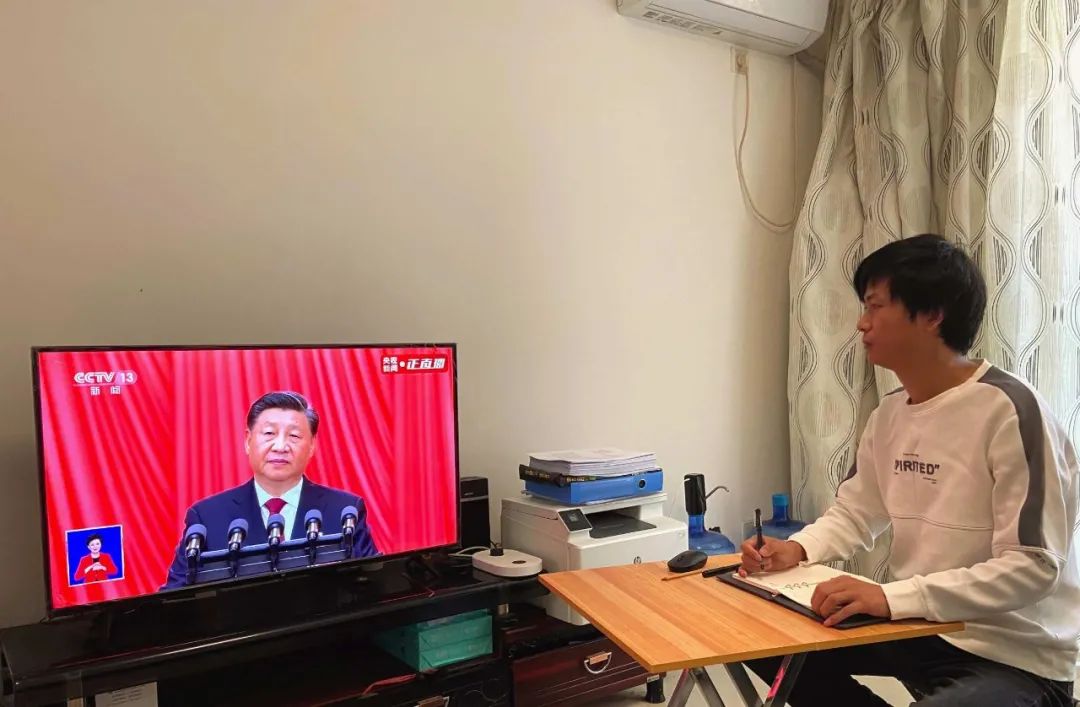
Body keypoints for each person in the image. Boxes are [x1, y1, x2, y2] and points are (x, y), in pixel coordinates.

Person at [740, 235, 1078, 705]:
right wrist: (796, 549)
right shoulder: (890, 414)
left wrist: (892, 598)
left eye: (876, 306)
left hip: (1013, 653)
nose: (861, 323)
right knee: (750, 634)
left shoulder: (1011, 411)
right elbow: (856, 513)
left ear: (933, 314)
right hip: (918, 627)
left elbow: (1033, 566)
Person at [163, 391, 379, 589]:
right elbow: (174, 599)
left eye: (294, 436)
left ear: (312, 445)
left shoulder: (345, 511)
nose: (280, 446)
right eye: (269, 433)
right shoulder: (207, 517)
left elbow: (373, 587)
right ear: (248, 441)